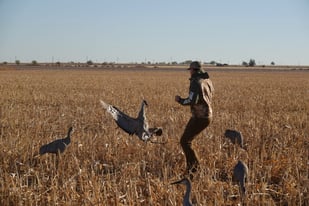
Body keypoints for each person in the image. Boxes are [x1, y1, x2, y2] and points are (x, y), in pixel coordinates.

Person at [175, 61, 214, 178]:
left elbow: (192, 100)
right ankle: (193, 168)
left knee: (184, 141)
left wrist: (180, 100)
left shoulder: (196, 82)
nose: (190, 72)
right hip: (207, 115)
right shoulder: (207, 81)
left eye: (190, 70)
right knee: (187, 141)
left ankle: (194, 168)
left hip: (200, 117)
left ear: (194, 70)